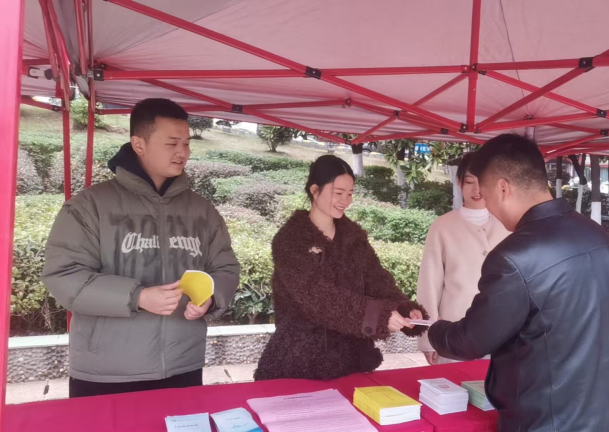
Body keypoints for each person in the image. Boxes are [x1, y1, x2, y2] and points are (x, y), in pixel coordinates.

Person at [428, 134, 609, 432]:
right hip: (604, 423)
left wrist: (433, 329)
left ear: (503, 188)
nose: (489, 208)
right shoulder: (595, 234)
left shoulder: (515, 256)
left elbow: (471, 340)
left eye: (487, 197)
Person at [42, 98, 240, 398]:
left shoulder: (202, 211)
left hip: (182, 364)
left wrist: (210, 298)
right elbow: (64, 275)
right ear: (139, 144)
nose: (182, 152)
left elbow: (225, 268)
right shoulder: (90, 206)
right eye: (172, 143)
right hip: (105, 371)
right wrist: (138, 297)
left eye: (186, 144)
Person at [254, 155, 427, 381]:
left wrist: (405, 308)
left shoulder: (354, 238)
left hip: (351, 361)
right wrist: (377, 316)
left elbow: (378, 281)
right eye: (338, 193)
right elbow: (318, 297)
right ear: (314, 190)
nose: (346, 201)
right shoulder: (290, 240)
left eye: (350, 193)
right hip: (300, 362)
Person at [417, 152, 510, 365]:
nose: (477, 190)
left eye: (482, 182)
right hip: (453, 331)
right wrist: (428, 339)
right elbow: (429, 285)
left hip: (502, 332)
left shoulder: (508, 225)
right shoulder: (442, 226)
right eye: (469, 182)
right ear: (459, 182)